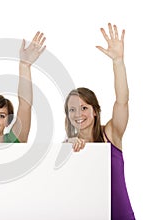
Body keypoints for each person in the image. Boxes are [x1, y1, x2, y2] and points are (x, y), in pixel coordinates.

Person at [64, 23, 135, 219]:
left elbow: (122, 100)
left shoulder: (111, 133)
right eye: (72, 110)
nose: (78, 114)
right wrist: (69, 146)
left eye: (84, 108)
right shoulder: (67, 146)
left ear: (95, 111)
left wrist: (118, 62)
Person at [0, 31, 46, 152]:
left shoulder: (14, 140)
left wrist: (24, 66)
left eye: (1, 116)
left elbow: (25, 105)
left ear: (8, 122)